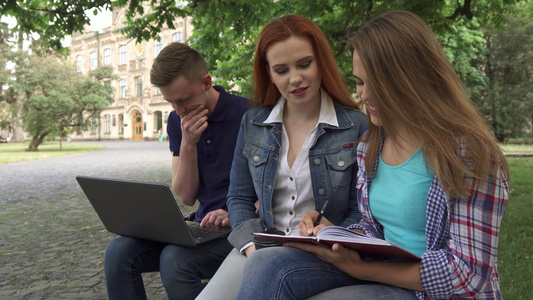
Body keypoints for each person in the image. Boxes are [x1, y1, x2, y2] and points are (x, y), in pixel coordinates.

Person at [236, 10, 510, 300]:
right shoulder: (372, 143)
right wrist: (335, 233)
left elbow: (467, 274)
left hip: (432, 291)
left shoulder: (468, 155)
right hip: (378, 271)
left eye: (376, 84)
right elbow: (372, 226)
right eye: (360, 82)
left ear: (413, 79)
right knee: (265, 264)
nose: (364, 96)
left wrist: (364, 269)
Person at [196, 14, 368, 300]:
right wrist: (251, 248)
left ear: (321, 61)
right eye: (282, 70)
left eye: (304, 64)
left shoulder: (355, 125)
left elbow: (361, 212)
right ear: (269, 73)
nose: (295, 79)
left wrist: (333, 232)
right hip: (260, 245)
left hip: (325, 254)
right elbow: (238, 197)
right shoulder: (253, 123)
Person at [103, 42, 251, 300]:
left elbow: (276, 189)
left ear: (207, 82)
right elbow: (185, 196)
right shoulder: (176, 122)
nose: (178, 110)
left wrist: (234, 212)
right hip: (202, 226)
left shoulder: (249, 114)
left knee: (175, 260)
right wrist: (188, 143)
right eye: (170, 102)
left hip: (239, 225)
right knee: (118, 254)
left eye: (183, 100)